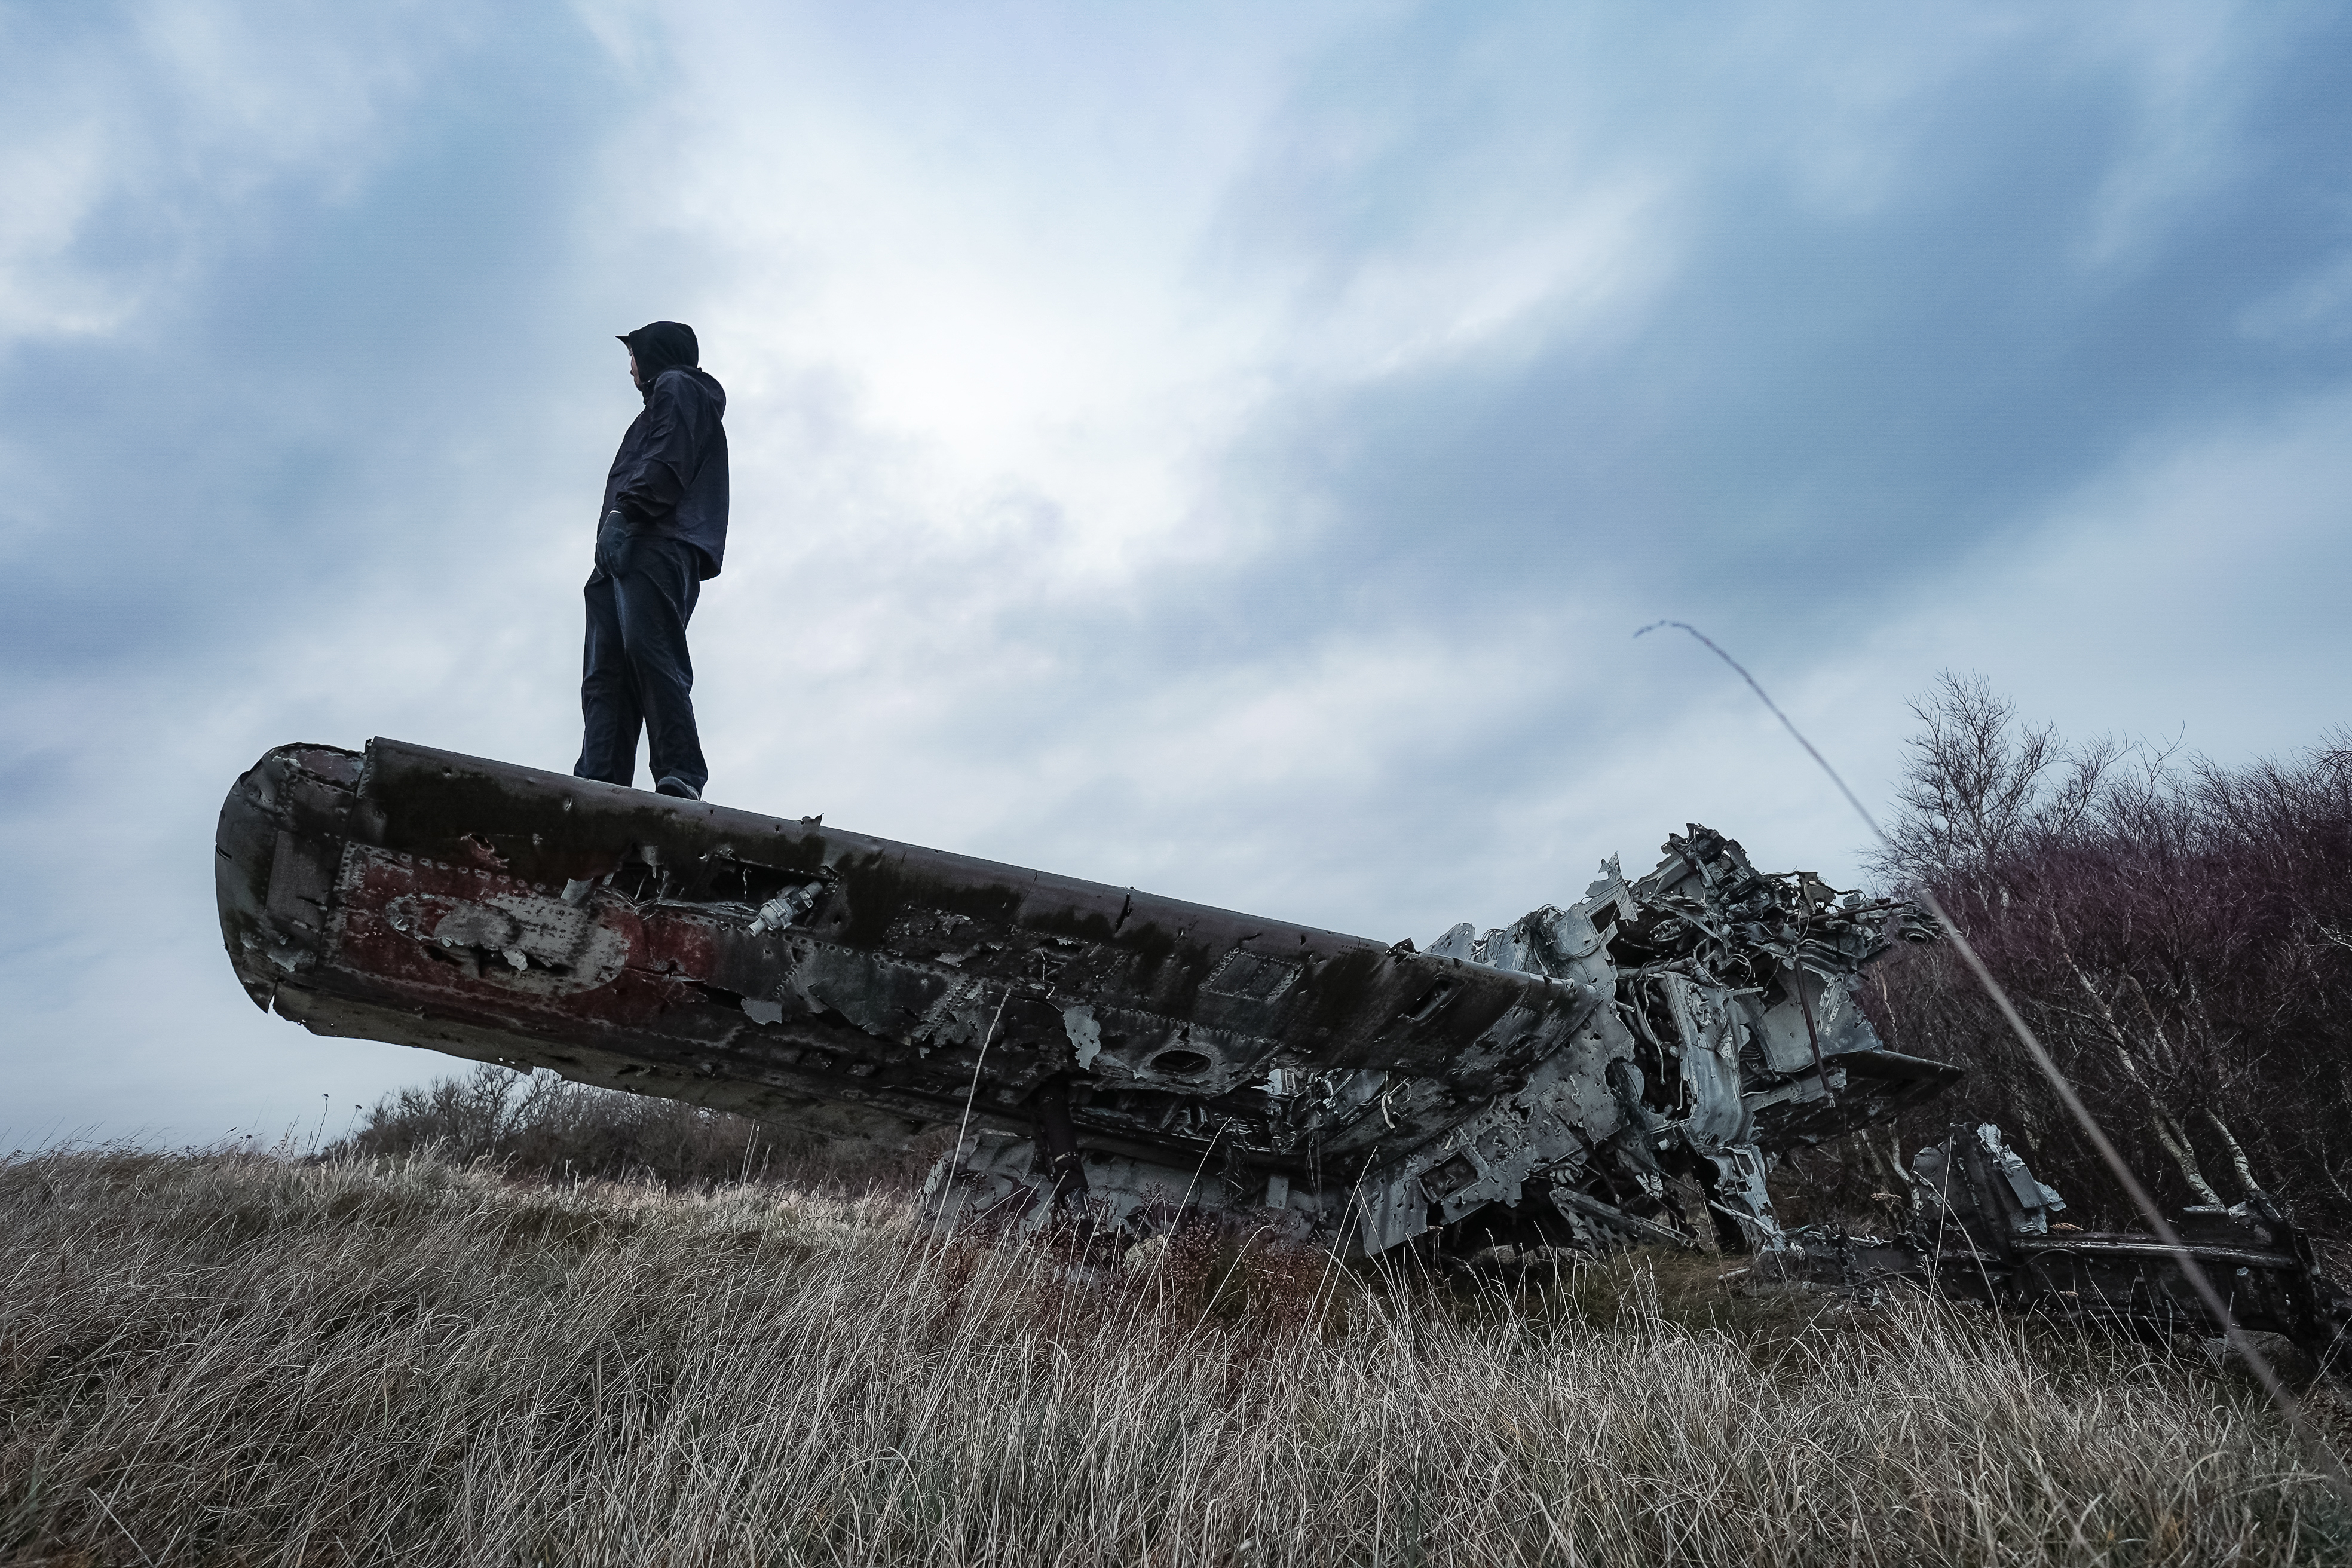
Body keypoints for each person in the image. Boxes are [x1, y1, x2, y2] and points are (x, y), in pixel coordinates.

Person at [574, 321, 729, 801]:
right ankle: (600, 782)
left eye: (634, 357)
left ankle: (681, 773)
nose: (630, 370)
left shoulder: (679, 388)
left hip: (655, 537)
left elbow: (669, 456)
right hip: (620, 549)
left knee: (651, 650)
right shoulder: (656, 405)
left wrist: (627, 511)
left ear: (654, 355)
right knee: (607, 673)